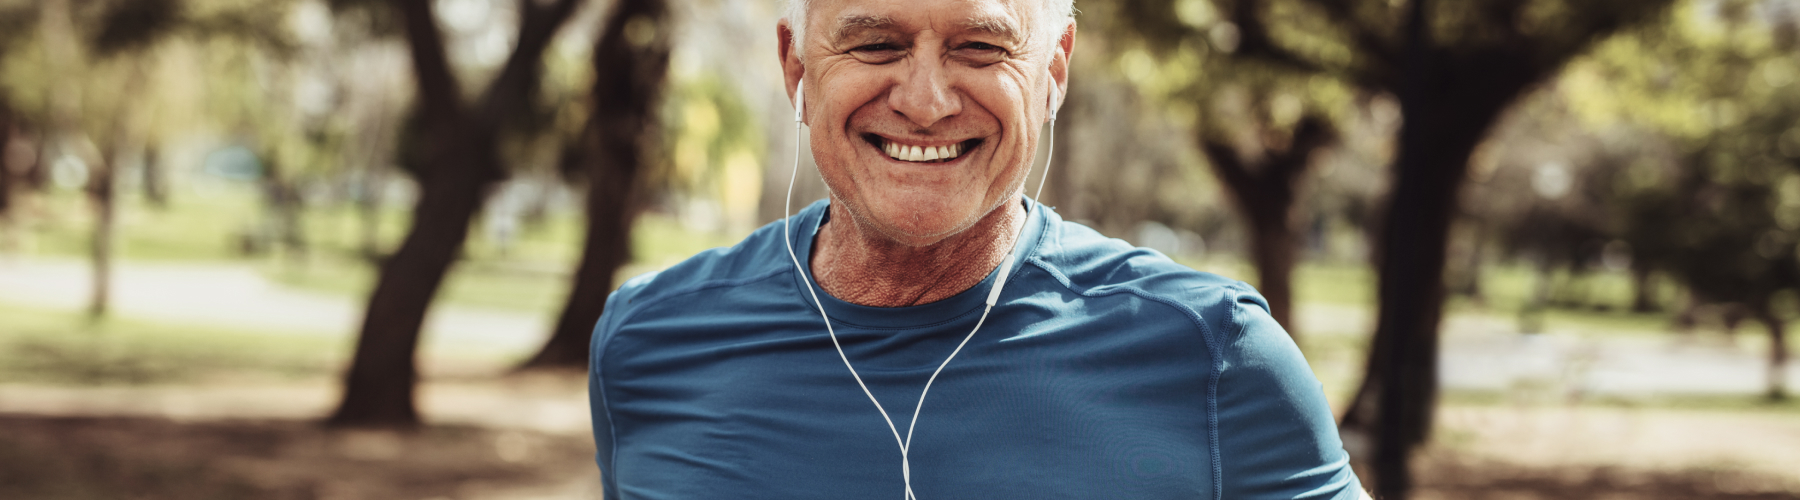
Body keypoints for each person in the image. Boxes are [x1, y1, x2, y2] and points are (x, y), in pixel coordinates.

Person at [587, 0, 1369, 497]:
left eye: (981, 48)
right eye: (877, 45)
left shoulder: (1215, 356)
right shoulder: (646, 343)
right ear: (796, 67)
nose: (925, 101)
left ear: (1054, 69)